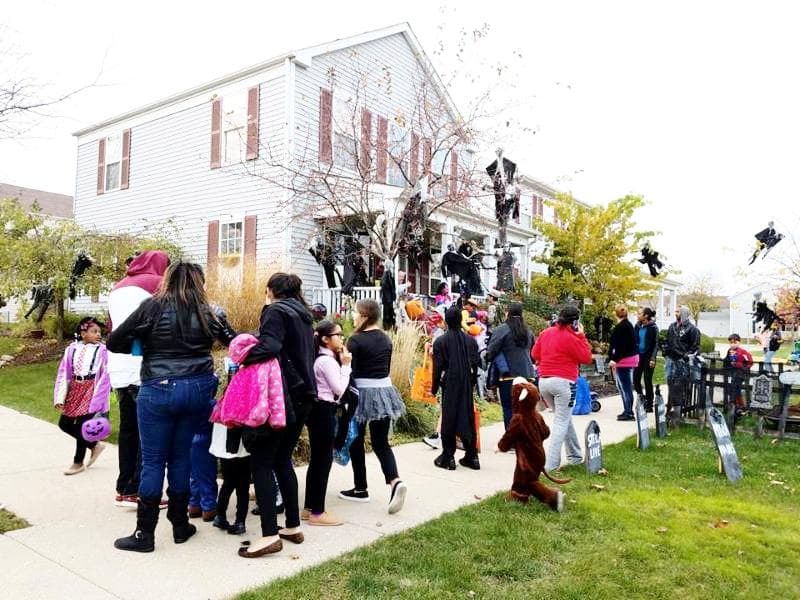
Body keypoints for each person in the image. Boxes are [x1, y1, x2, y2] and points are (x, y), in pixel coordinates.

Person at [108, 262, 235, 553]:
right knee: (181, 457)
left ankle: (144, 534)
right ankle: (179, 525)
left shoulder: (151, 307)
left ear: (167, 280)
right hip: (198, 387)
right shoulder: (209, 311)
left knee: (153, 461)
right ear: (199, 282)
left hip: (159, 387)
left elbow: (114, 341)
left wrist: (142, 345)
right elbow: (235, 341)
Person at [237, 273, 317, 558]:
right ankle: (292, 526)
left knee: (261, 463)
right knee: (282, 459)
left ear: (270, 290)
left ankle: (269, 534)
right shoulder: (304, 315)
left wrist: (241, 356)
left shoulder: (275, 310)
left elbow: (270, 346)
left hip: (282, 397)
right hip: (305, 395)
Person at [106, 250, 170, 507]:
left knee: (128, 429)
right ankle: (144, 489)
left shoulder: (117, 288)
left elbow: (112, 327)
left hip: (119, 366)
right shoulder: (156, 285)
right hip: (145, 366)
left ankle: (125, 488)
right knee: (150, 432)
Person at [339, 299, 407, 514]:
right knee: (381, 442)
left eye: (356, 313)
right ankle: (395, 480)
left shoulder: (356, 340)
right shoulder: (386, 339)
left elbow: (351, 372)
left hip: (361, 394)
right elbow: (385, 368)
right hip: (384, 392)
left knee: (356, 441)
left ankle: (361, 489)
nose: (353, 316)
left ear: (365, 315)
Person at [531, 305, 593, 472]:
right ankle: (550, 465)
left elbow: (535, 354)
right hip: (564, 383)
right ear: (575, 321)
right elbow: (586, 357)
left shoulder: (546, 333)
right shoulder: (572, 338)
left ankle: (575, 456)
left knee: (564, 418)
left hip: (544, 382)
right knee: (561, 422)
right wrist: (581, 336)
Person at [303, 320, 351, 526]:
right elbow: (339, 389)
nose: (341, 338)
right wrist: (346, 366)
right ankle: (317, 512)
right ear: (325, 339)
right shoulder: (327, 361)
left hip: (317, 410)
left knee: (317, 460)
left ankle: (309, 507)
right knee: (323, 461)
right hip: (324, 410)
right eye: (338, 334)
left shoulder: (321, 359)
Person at [53, 317, 111, 476]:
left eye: (99, 331)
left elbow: (106, 375)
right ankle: (93, 445)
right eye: (94, 331)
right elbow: (63, 372)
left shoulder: (103, 350)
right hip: (75, 389)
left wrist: (99, 398)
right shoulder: (71, 349)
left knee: (81, 425)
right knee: (64, 423)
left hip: (92, 389)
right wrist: (60, 397)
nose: (98, 334)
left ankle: (78, 462)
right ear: (83, 333)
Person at [431, 306, 481, 470]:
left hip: (450, 380)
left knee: (449, 417)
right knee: (466, 416)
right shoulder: (471, 341)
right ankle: (472, 456)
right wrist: (472, 382)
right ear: (461, 320)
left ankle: (448, 456)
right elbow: (475, 365)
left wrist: (434, 386)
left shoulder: (441, 342)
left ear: (446, 320)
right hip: (466, 380)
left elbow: (437, 368)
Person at [485, 302, 535, 430]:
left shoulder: (501, 330)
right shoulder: (528, 331)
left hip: (508, 376)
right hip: (527, 375)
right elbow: (533, 353)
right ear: (521, 314)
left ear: (508, 313)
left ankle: (512, 439)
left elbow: (491, 350)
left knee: (508, 408)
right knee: (523, 408)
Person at [209, 423, 250, 535]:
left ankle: (220, 516)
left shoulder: (220, 404)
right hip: (242, 444)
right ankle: (240, 521)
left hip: (223, 442)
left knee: (228, 483)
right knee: (243, 487)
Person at [663, 306, 701, 423]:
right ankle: (671, 407)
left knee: (681, 385)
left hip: (682, 362)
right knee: (670, 382)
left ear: (684, 313)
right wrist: (666, 351)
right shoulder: (672, 326)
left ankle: (680, 409)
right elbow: (668, 341)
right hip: (671, 359)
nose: (676, 313)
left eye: (678, 311)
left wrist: (686, 356)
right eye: (675, 311)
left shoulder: (692, 329)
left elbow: (695, 346)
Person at [608, 305, 639, 421]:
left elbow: (620, 346)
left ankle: (629, 412)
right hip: (628, 359)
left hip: (624, 361)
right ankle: (627, 410)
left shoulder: (621, 327)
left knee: (625, 387)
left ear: (616, 314)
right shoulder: (628, 325)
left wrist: (614, 359)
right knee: (622, 387)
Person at [633, 307, 659, 412]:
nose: (637, 315)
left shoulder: (653, 327)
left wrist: (653, 358)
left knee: (647, 380)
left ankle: (649, 404)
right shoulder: (637, 326)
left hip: (649, 357)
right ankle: (642, 398)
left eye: (639, 314)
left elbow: (656, 344)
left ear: (646, 316)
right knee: (635, 379)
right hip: (639, 356)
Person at [724, 334, 753, 416]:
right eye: (731, 342)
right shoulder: (730, 351)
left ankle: (736, 406)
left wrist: (738, 364)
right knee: (734, 390)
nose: (732, 344)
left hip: (741, 374)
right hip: (733, 373)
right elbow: (727, 360)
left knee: (735, 389)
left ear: (738, 342)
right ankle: (738, 407)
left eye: (734, 342)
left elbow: (750, 362)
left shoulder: (743, 352)